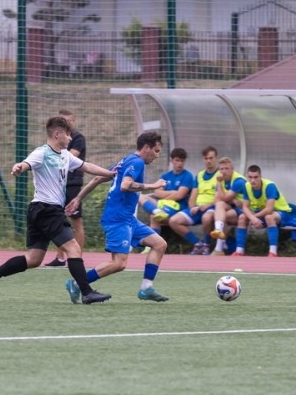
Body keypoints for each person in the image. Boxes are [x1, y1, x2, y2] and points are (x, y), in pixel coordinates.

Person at [0, 116, 117, 304]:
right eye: (68, 134)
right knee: (73, 248)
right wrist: (19, 167)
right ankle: (86, 292)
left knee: (34, 259)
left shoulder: (65, 155)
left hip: (39, 209)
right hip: (47, 209)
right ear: (57, 134)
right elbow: (26, 163)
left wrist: (110, 173)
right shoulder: (42, 152)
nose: (70, 138)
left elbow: (86, 166)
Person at [65, 131, 171, 303]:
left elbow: (98, 178)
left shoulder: (126, 160)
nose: (157, 155)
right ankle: (77, 284)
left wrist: (78, 199)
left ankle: (146, 288)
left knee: (159, 244)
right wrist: (154, 185)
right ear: (146, 147)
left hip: (128, 219)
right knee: (119, 263)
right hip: (117, 219)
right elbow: (125, 185)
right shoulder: (137, 162)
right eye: (156, 151)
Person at [46, 109, 87, 267]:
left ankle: (76, 258)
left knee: (76, 221)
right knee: (58, 220)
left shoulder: (77, 138)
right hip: (58, 185)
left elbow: (70, 158)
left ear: (73, 122)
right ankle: (60, 257)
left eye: (69, 121)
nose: (66, 123)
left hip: (72, 185)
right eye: (63, 121)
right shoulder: (54, 144)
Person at [234, 165, 295, 257]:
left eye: (255, 177)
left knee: (269, 217)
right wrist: (252, 218)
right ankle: (239, 251)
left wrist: (254, 217)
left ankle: (273, 252)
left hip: (282, 212)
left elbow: (269, 209)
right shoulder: (246, 186)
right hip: (262, 212)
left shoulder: (269, 186)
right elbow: (245, 207)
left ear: (260, 176)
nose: (253, 180)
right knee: (242, 217)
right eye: (250, 177)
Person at [168, 146, 218, 254]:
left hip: (212, 208)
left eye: (211, 158)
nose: (208, 161)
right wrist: (192, 207)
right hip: (198, 209)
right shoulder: (199, 175)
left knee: (206, 218)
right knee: (174, 221)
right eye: (206, 158)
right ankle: (197, 243)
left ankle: (207, 245)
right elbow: (193, 196)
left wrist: (207, 205)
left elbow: (220, 198)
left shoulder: (220, 175)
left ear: (216, 158)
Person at [139, 147, 195, 230]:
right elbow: (157, 192)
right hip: (163, 204)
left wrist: (164, 196)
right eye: (177, 160)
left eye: (182, 161)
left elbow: (179, 195)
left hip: (178, 208)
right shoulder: (166, 176)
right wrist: (173, 192)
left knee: (154, 216)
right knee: (140, 196)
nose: (180, 163)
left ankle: (155, 238)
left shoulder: (187, 176)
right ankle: (157, 210)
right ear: (171, 160)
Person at [209, 157, 247, 256]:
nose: (224, 171)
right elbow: (216, 200)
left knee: (221, 215)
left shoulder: (239, 181)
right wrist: (232, 199)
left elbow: (224, 198)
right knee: (220, 209)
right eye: (221, 169)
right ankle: (219, 233)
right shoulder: (221, 180)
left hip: (244, 210)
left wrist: (219, 184)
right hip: (233, 208)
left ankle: (219, 247)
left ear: (232, 169)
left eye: (226, 168)